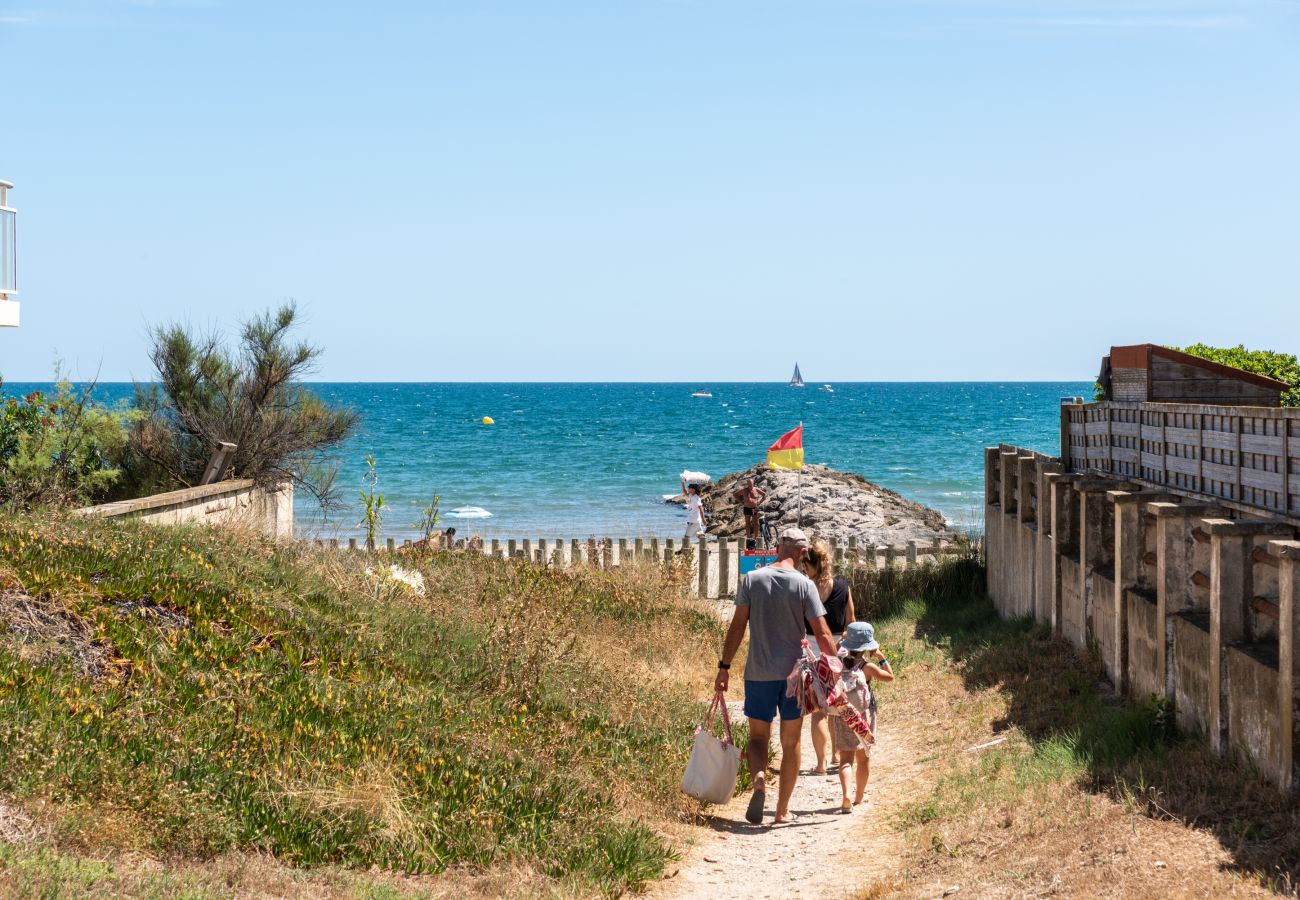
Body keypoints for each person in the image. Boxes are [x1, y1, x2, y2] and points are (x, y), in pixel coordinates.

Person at [715, 527, 838, 825]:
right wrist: (836, 668)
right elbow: (821, 632)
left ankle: (759, 778)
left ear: (777, 547)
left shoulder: (752, 580)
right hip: (794, 677)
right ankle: (782, 810)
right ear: (802, 552)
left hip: (758, 672)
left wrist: (724, 666)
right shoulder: (805, 585)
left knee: (758, 737)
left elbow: (737, 627)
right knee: (791, 742)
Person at [801, 537, 856, 775]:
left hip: (811, 650)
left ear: (812, 565)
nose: (803, 569)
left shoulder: (804, 588)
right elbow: (850, 623)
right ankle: (836, 753)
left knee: (817, 711)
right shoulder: (843, 587)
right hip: (836, 649)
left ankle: (821, 764)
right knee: (835, 705)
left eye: (805, 565)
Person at [832, 621, 893, 813]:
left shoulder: (837, 663)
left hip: (843, 714)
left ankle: (846, 796)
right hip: (865, 715)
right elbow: (890, 677)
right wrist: (881, 657)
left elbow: (830, 654)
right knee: (863, 758)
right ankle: (859, 797)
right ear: (868, 646)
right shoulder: (868, 667)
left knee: (845, 760)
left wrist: (840, 642)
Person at [732, 478, 768, 549]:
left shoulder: (756, 489)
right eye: (749, 484)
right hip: (747, 508)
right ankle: (748, 538)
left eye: (751, 484)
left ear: (753, 483)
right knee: (747, 523)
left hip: (754, 509)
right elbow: (735, 495)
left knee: (756, 523)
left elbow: (764, 495)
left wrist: (759, 502)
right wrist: (741, 502)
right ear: (747, 484)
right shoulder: (744, 490)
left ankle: (756, 537)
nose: (750, 485)